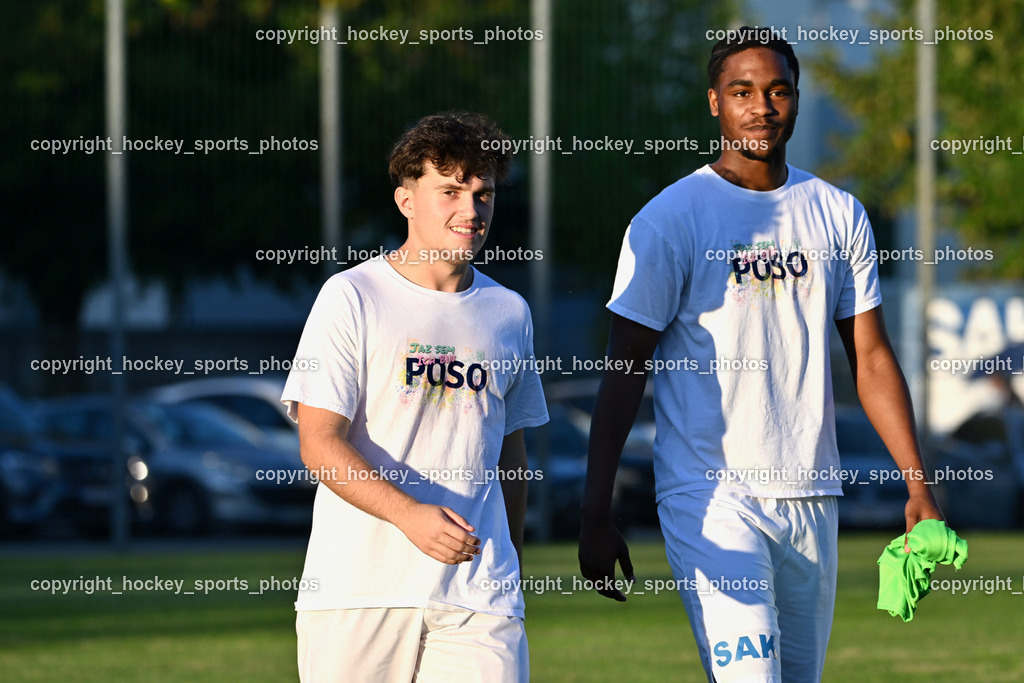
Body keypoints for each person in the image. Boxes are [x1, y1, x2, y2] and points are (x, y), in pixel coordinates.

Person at [578, 29, 943, 681]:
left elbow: (871, 358)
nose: (762, 108)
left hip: (812, 492)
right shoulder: (669, 218)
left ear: (796, 99)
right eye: (742, 92)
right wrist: (594, 510)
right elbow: (625, 367)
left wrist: (918, 484)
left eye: (778, 91)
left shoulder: (839, 213)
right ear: (714, 102)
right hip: (711, 494)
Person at [282, 110, 548, 682]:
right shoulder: (351, 296)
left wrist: (510, 571)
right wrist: (409, 516)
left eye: (483, 193)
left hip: (478, 594)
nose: (471, 209)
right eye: (450, 190)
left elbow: (510, 455)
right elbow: (318, 443)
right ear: (406, 200)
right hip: (358, 591)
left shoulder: (509, 312)